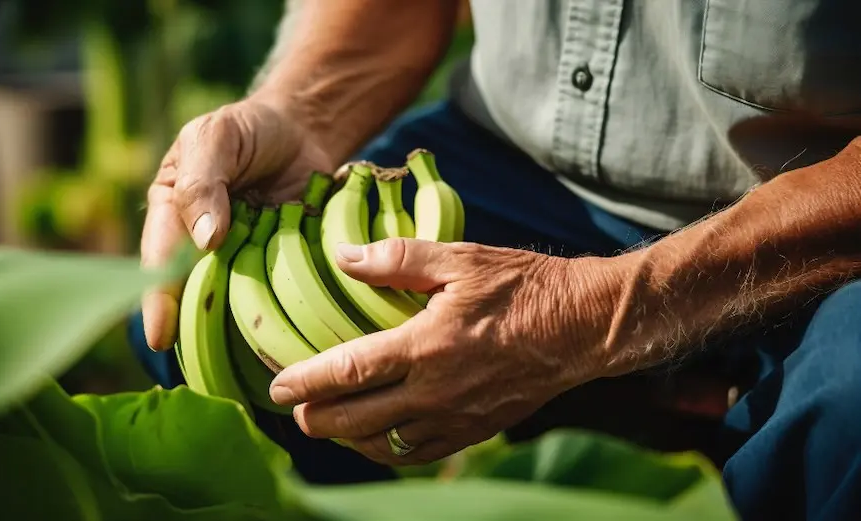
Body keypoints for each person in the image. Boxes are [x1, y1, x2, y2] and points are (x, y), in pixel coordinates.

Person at [128, 1, 861, 519]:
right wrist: (300, 112)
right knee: (202, 317)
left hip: (818, 208)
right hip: (518, 159)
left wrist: (591, 311)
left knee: (844, 418)